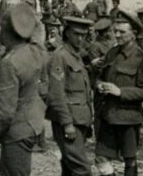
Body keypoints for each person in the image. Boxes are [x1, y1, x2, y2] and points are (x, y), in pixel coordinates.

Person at [0, 2, 46, 176]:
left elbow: (4, 113)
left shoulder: (10, 63)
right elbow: (37, 36)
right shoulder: (35, 51)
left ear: (8, 32)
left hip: (16, 132)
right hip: (32, 125)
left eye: (2, 27)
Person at [94, 10, 143, 176]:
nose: (117, 35)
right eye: (115, 31)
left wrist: (120, 91)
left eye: (122, 32)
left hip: (128, 118)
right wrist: (99, 85)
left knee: (130, 160)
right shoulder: (111, 53)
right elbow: (99, 77)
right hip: (108, 115)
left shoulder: (142, 58)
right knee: (100, 158)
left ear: (133, 34)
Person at [46, 16, 95, 175]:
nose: (80, 39)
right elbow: (56, 94)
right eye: (76, 34)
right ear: (67, 33)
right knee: (82, 170)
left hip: (80, 119)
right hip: (69, 121)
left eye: (83, 35)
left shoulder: (76, 55)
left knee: (69, 166)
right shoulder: (60, 56)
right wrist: (67, 123)